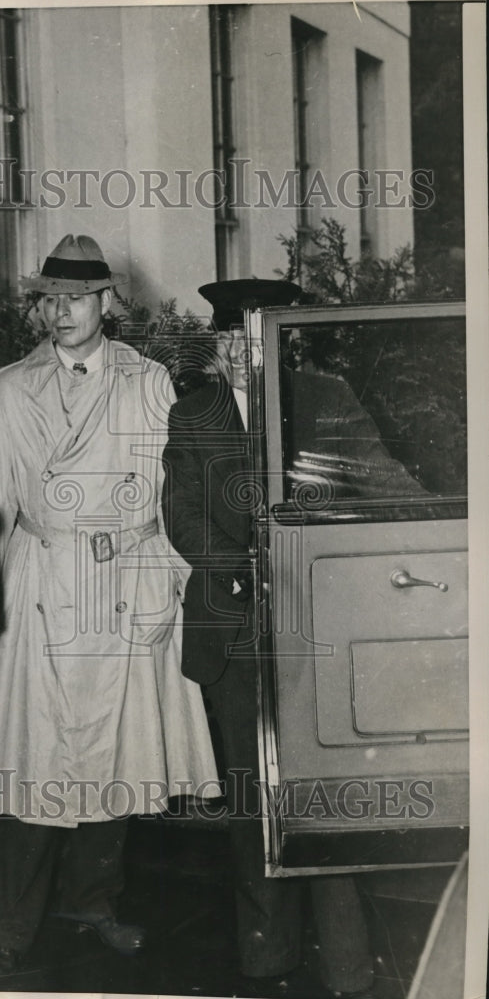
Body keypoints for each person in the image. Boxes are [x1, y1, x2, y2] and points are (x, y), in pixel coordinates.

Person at [0, 234, 220, 980]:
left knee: (115, 749)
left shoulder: (149, 381)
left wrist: (172, 581)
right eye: (47, 298)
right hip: (41, 579)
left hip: (122, 580)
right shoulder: (9, 386)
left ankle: (93, 903)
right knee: (32, 753)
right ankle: (10, 922)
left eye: (74, 298)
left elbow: (174, 492)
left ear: (107, 302)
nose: (59, 312)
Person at [162, 279, 376, 999]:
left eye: (254, 335)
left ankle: (350, 970)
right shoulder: (194, 412)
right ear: (216, 345)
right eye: (226, 338)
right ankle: (266, 963)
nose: (238, 351)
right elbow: (182, 513)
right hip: (233, 632)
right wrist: (237, 567)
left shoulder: (327, 398)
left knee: (323, 797)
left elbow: (378, 487)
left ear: (282, 338)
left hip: (315, 629)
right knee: (251, 804)